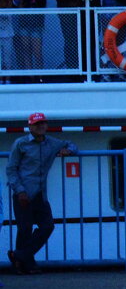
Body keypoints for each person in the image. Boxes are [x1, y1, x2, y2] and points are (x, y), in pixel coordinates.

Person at [6, 112, 79, 274]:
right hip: (23, 192)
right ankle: (25, 264)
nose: (41, 127)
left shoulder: (52, 143)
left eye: (43, 123)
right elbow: (11, 169)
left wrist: (69, 151)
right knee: (24, 229)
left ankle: (19, 256)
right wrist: (19, 191)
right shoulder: (20, 144)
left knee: (47, 226)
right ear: (30, 126)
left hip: (40, 193)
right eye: (37, 124)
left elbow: (71, 144)